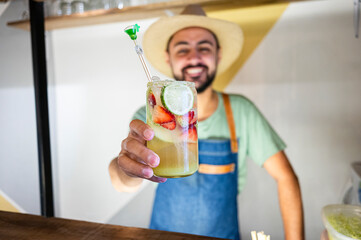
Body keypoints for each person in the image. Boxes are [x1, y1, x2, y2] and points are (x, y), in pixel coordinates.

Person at [109, 4, 304, 240]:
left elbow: (286, 177)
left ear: (218, 55)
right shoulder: (149, 114)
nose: (194, 57)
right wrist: (128, 170)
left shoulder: (241, 111)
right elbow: (121, 183)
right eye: (183, 50)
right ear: (167, 58)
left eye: (204, 47)